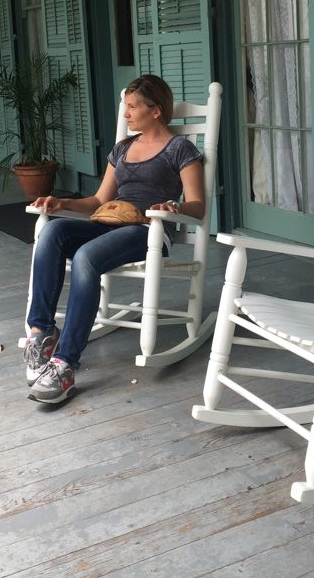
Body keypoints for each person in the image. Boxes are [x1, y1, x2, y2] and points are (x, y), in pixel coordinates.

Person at [23, 75, 205, 403]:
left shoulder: (180, 149)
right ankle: (42, 332)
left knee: (87, 257)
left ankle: (65, 363)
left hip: (149, 230)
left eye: (133, 107)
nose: (126, 114)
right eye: (126, 107)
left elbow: (198, 205)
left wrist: (173, 206)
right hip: (109, 222)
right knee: (52, 231)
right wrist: (60, 203)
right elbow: (97, 202)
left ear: (157, 111)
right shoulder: (122, 149)